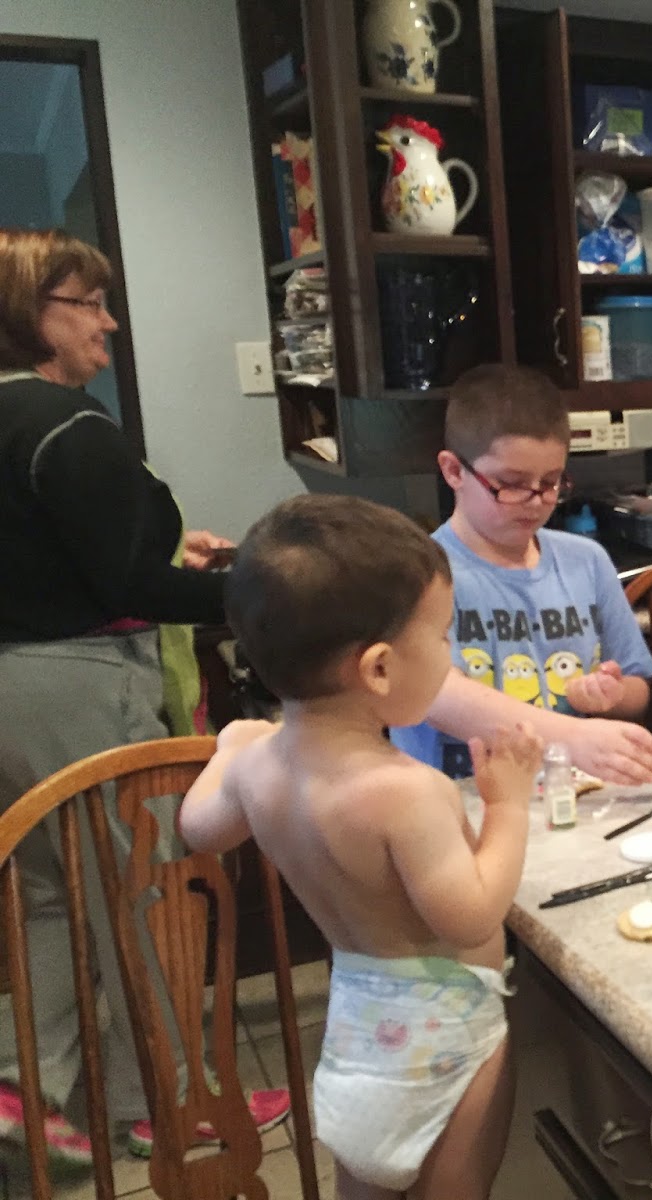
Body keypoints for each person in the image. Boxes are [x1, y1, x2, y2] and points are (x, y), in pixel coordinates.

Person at [0, 228, 286, 1167]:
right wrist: (263, 590)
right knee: (141, 892)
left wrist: (163, 555)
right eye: (88, 303)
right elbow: (130, 586)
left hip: (10, 691)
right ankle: (171, 1103)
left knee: (52, 897)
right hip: (82, 686)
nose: (108, 323)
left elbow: (57, 557)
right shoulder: (67, 423)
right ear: (31, 310)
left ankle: (29, 1094)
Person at [180, 494, 539, 1200]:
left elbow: (198, 828)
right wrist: (509, 807)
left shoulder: (258, 769)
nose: (451, 654)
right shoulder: (407, 791)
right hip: (447, 1038)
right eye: (443, 637)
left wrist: (229, 746)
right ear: (377, 668)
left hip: (355, 1041)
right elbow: (470, 916)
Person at [389, 364, 652, 778]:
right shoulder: (418, 571)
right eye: (512, 483)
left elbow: (637, 688)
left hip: (567, 793)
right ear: (454, 471)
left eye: (551, 482)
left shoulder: (586, 561)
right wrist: (572, 737)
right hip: (457, 801)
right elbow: (439, 696)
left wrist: (609, 693)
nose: (536, 500)